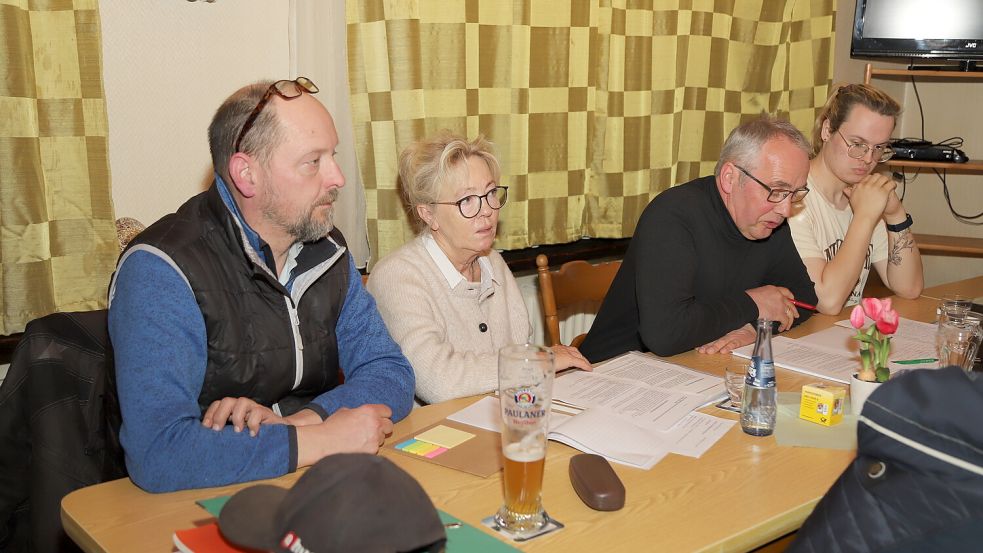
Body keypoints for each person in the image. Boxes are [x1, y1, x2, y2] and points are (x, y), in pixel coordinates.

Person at [108, 78, 415, 493]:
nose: (338, 177)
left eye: (334, 156)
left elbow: (389, 371)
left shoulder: (327, 249)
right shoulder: (160, 268)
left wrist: (304, 426)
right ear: (247, 174)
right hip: (198, 504)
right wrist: (321, 441)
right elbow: (158, 452)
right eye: (313, 161)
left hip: (305, 484)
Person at [366, 131, 590, 405]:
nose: (487, 210)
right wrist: (539, 360)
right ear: (428, 214)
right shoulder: (397, 277)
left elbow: (519, 352)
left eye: (490, 193)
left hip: (497, 416)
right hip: (433, 435)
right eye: (467, 200)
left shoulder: (491, 260)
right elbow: (438, 381)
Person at [579, 115, 818, 362]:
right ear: (730, 178)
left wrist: (753, 327)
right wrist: (754, 304)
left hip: (693, 366)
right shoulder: (672, 216)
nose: (786, 209)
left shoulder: (769, 219)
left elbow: (804, 298)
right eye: (777, 191)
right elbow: (664, 334)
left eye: (795, 193)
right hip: (613, 370)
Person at [789, 84, 923, 313]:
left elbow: (909, 288)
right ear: (827, 130)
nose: (868, 159)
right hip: (794, 335)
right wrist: (865, 215)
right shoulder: (793, 199)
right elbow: (828, 301)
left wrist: (895, 214)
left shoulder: (866, 196)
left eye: (879, 147)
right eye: (858, 144)